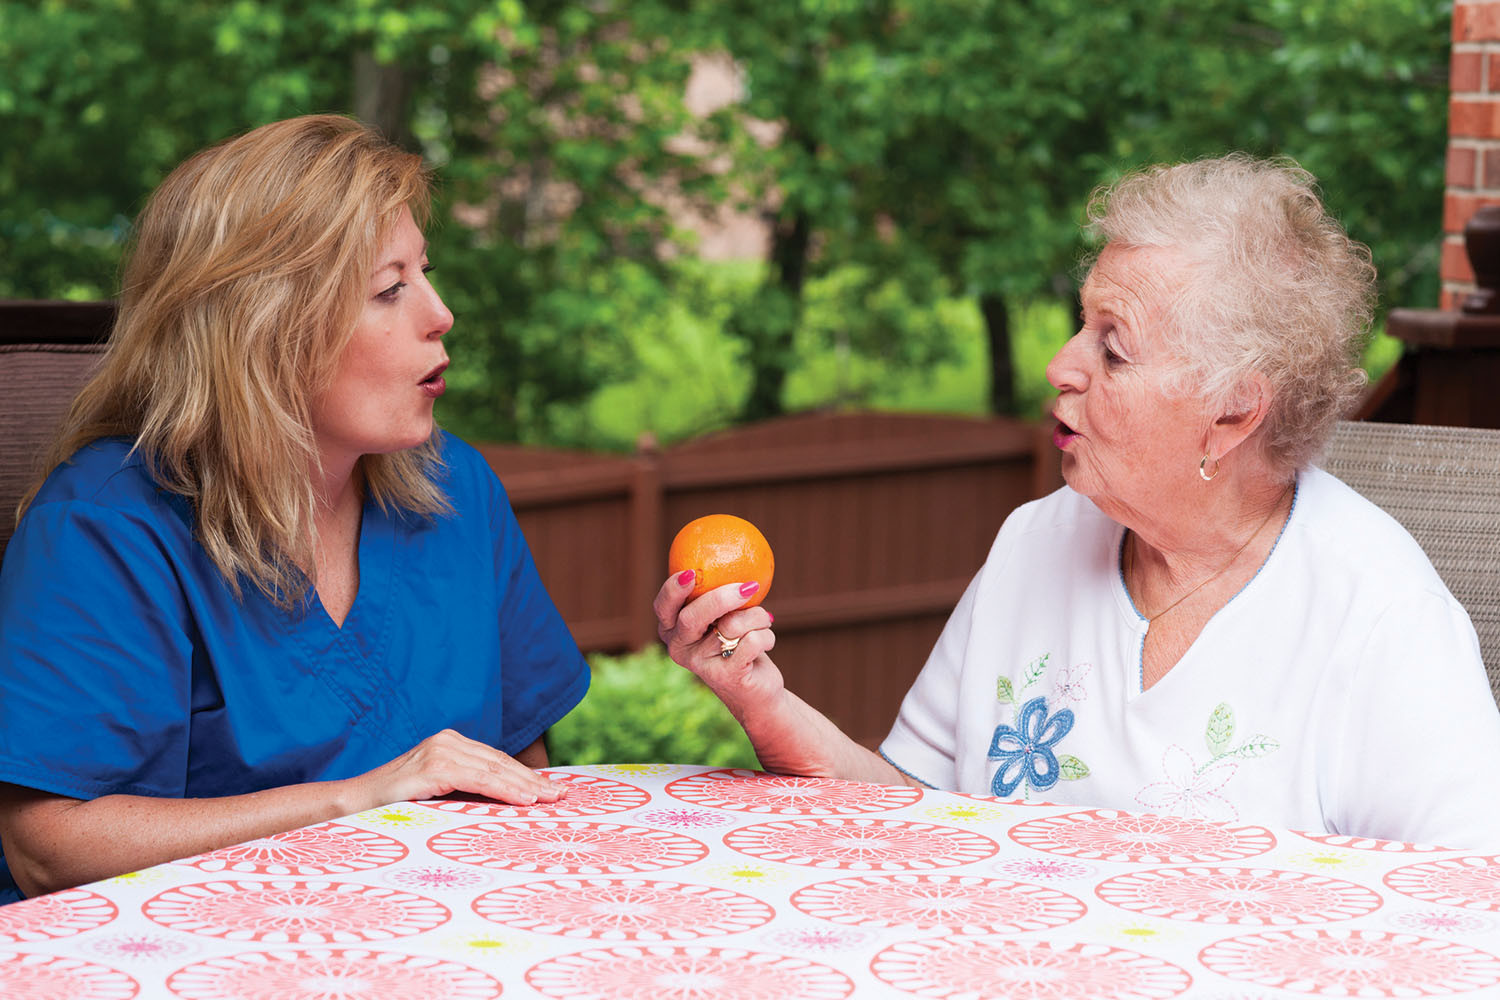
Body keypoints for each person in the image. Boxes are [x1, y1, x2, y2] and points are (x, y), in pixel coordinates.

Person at [657, 154, 1500, 849]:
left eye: (1114, 348)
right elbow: (910, 812)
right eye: (1080, 324)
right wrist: (760, 699)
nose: (1062, 364)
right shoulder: (1037, 540)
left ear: (1234, 412)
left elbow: (1465, 908)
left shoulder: (1380, 618)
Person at [0, 115, 589, 903]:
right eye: (390, 288)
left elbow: (523, 766)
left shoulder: (459, 490)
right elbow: (48, 844)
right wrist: (360, 800)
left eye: (425, 272)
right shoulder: (103, 528)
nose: (440, 313)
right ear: (263, 329)